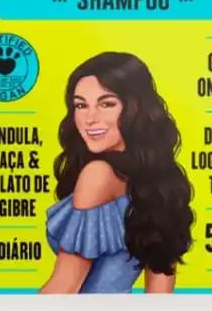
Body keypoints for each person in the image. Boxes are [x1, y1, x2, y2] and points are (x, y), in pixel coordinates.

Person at [40, 51, 193, 294]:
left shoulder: (97, 175)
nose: (90, 118)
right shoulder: (161, 182)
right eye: (81, 105)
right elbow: (160, 294)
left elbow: (64, 287)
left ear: (136, 107)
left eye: (107, 104)